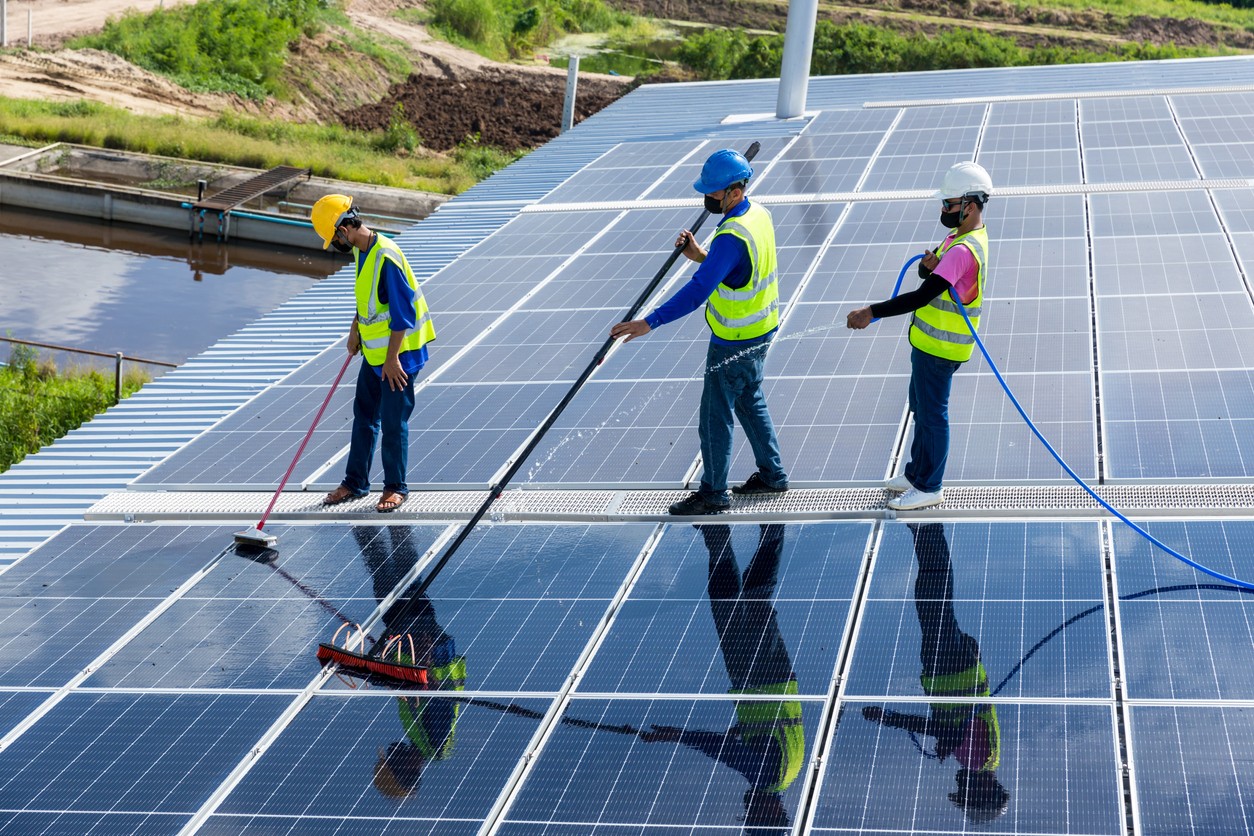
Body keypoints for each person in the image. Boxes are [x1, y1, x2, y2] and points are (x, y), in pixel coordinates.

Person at [610, 150, 789, 516]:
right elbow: (738, 269)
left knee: (714, 415)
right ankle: (772, 474)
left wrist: (651, 321)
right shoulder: (758, 215)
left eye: (714, 192)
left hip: (733, 340)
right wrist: (701, 254)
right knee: (750, 399)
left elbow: (697, 292)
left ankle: (713, 493)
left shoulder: (731, 235)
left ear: (734, 192)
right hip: (762, 329)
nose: (708, 198)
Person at [846, 161, 992, 511]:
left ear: (970, 205)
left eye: (949, 204)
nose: (943, 209)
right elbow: (930, 278)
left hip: (942, 349)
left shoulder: (962, 250)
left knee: (932, 415)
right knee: (921, 408)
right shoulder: (959, 238)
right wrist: (926, 267)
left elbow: (922, 296)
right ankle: (916, 474)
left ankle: (930, 486)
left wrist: (871, 312)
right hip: (928, 344)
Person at [640, 524, 803, 831]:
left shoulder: (791, 772)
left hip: (779, 677)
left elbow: (771, 730)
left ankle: (774, 528)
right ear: (772, 813)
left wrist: (739, 731)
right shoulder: (767, 777)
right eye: (753, 817)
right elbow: (722, 751)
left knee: (756, 599)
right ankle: (717, 533)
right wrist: (675, 735)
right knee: (725, 605)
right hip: (756, 678)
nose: (747, 810)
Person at [861, 522, 1008, 824]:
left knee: (934, 602)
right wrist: (888, 718)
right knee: (933, 597)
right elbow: (946, 729)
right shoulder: (978, 761)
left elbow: (958, 727)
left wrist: (947, 741)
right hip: (950, 670)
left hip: (955, 667)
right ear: (982, 791)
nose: (959, 787)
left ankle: (924, 530)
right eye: (965, 795)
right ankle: (927, 528)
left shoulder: (985, 760)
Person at [312, 194, 436, 513]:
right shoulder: (362, 251)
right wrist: (355, 329)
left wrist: (393, 360)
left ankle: (396, 488)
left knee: (393, 422)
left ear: (345, 227)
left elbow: (403, 314)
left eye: (335, 238)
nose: (338, 244)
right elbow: (366, 299)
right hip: (374, 352)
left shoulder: (386, 256)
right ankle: (355, 483)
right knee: (364, 415)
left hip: (400, 355)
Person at [350, 526, 465, 799]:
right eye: (391, 760)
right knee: (387, 572)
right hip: (423, 640)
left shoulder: (419, 739)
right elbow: (438, 696)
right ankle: (367, 522)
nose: (390, 752)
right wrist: (424, 660)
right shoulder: (435, 746)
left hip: (411, 638)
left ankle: (397, 524)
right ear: (403, 769)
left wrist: (389, 659)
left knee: (405, 577)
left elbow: (415, 693)